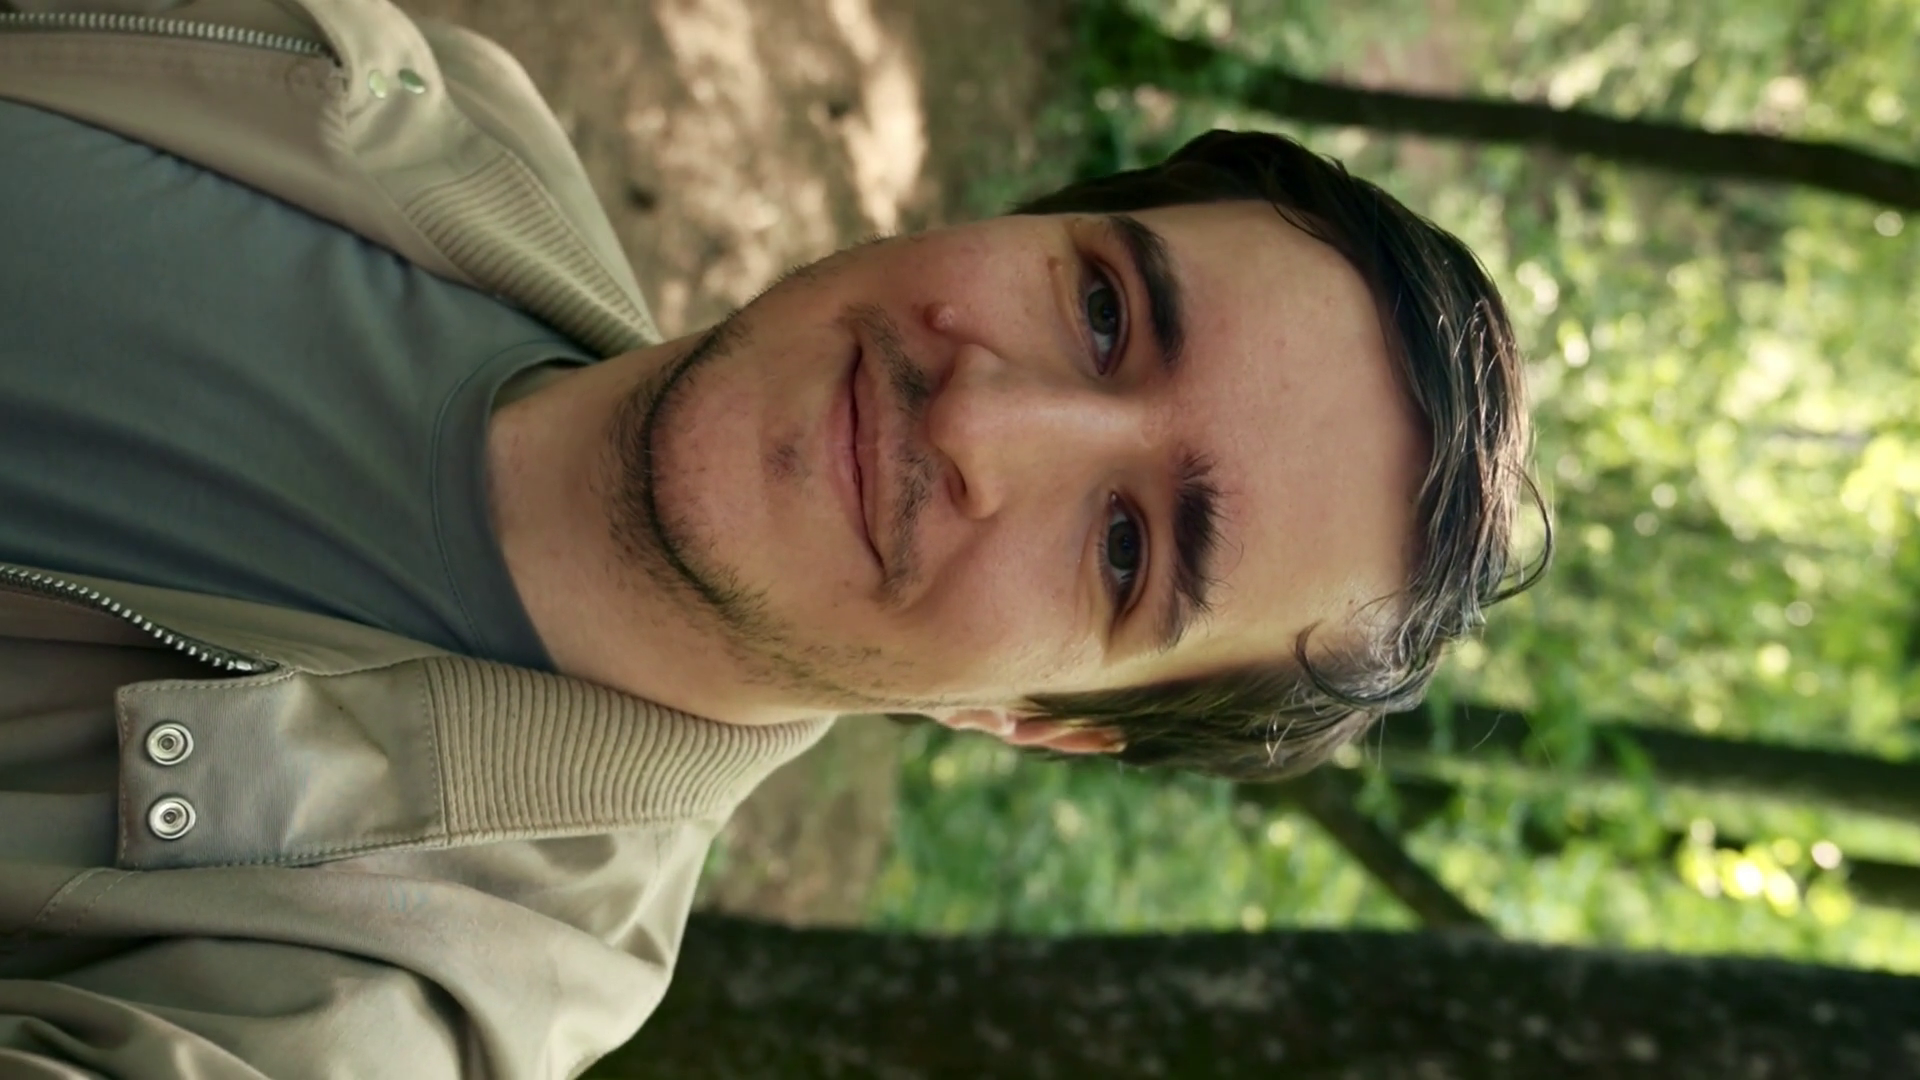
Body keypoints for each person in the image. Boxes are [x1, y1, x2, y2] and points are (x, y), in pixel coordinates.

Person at [0, 0, 1541, 1076]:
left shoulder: (408, 995)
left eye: (1127, 552)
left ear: (1035, 720)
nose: (983, 420)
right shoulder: (415, 108)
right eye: (1100, 308)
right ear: (1027, 217)